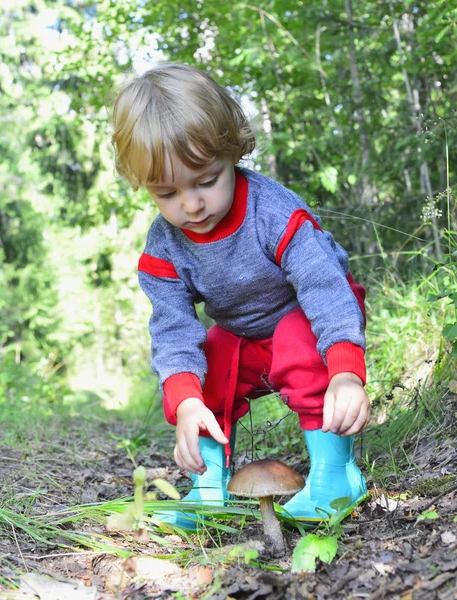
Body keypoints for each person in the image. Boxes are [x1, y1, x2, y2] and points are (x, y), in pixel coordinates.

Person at [111, 63, 371, 529]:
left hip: (310, 316)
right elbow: (173, 327)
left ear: (232, 153)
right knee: (212, 354)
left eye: (206, 181)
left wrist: (346, 371)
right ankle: (210, 483)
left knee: (297, 337)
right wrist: (186, 401)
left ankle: (336, 475)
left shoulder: (274, 213)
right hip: (243, 332)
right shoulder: (165, 247)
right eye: (167, 193)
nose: (191, 205)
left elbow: (324, 288)